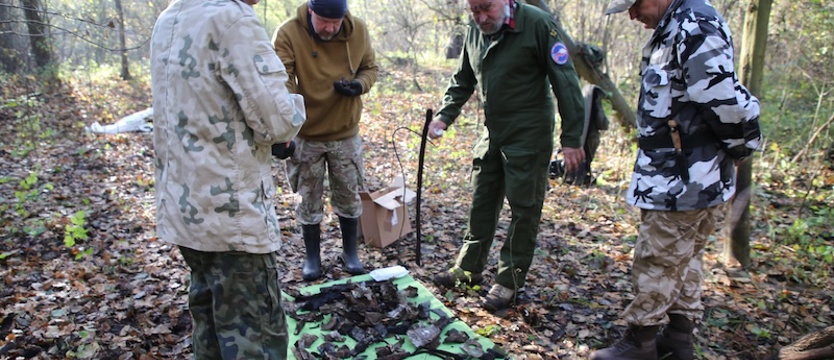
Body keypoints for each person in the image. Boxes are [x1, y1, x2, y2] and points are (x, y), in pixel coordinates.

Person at [590, 0, 762, 357]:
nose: (633, 14)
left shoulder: (694, 25)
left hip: (685, 180)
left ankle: (641, 342)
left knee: (658, 258)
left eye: (635, 5)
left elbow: (723, 101)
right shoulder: (676, 24)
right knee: (685, 258)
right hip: (680, 175)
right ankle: (679, 338)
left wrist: (741, 147)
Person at [150, 0, 305, 358]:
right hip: (231, 217)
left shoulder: (172, 15)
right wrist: (294, 111)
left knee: (211, 327)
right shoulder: (232, 20)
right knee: (255, 339)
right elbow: (276, 122)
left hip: (185, 210)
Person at [429, 0, 586, 311]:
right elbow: (463, 78)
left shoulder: (539, 25)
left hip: (528, 134)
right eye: (474, 11)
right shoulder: (476, 29)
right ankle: (468, 270)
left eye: (486, 8)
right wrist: (444, 116)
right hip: (493, 132)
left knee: (524, 208)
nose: (481, 17)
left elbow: (565, 82)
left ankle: (508, 281)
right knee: (482, 200)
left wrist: (571, 138)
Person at [272, 0, 379, 281]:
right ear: (310, 11)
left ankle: (350, 253)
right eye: (324, 21)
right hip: (307, 134)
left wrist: (358, 86)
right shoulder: (288, 33)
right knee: (308, 197)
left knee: (348, 194)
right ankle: (312, 257)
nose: (331, 28)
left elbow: (371, 69)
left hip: (345, 132)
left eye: (336, 21)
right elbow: (281, 81)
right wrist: (284, 128)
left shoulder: (359, 32)